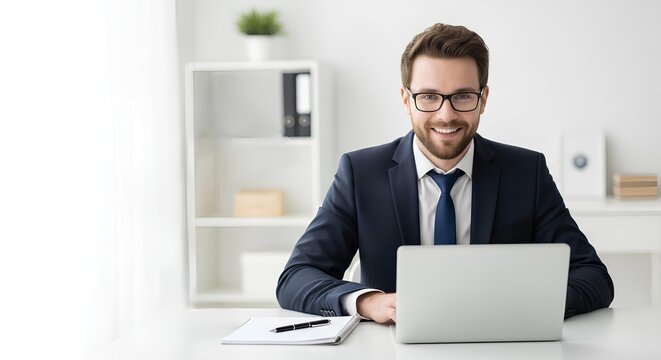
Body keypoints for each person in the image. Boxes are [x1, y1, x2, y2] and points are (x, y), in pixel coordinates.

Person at [276, 23, 614, 323]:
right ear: (406, 100)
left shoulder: (526, 172)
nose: (446, 114)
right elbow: (296, 277)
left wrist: (524, 305)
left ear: (483, 99)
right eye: (428, 97)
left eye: (462, 96)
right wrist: (368, 302)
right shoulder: (361, 173)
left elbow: (593, 276)